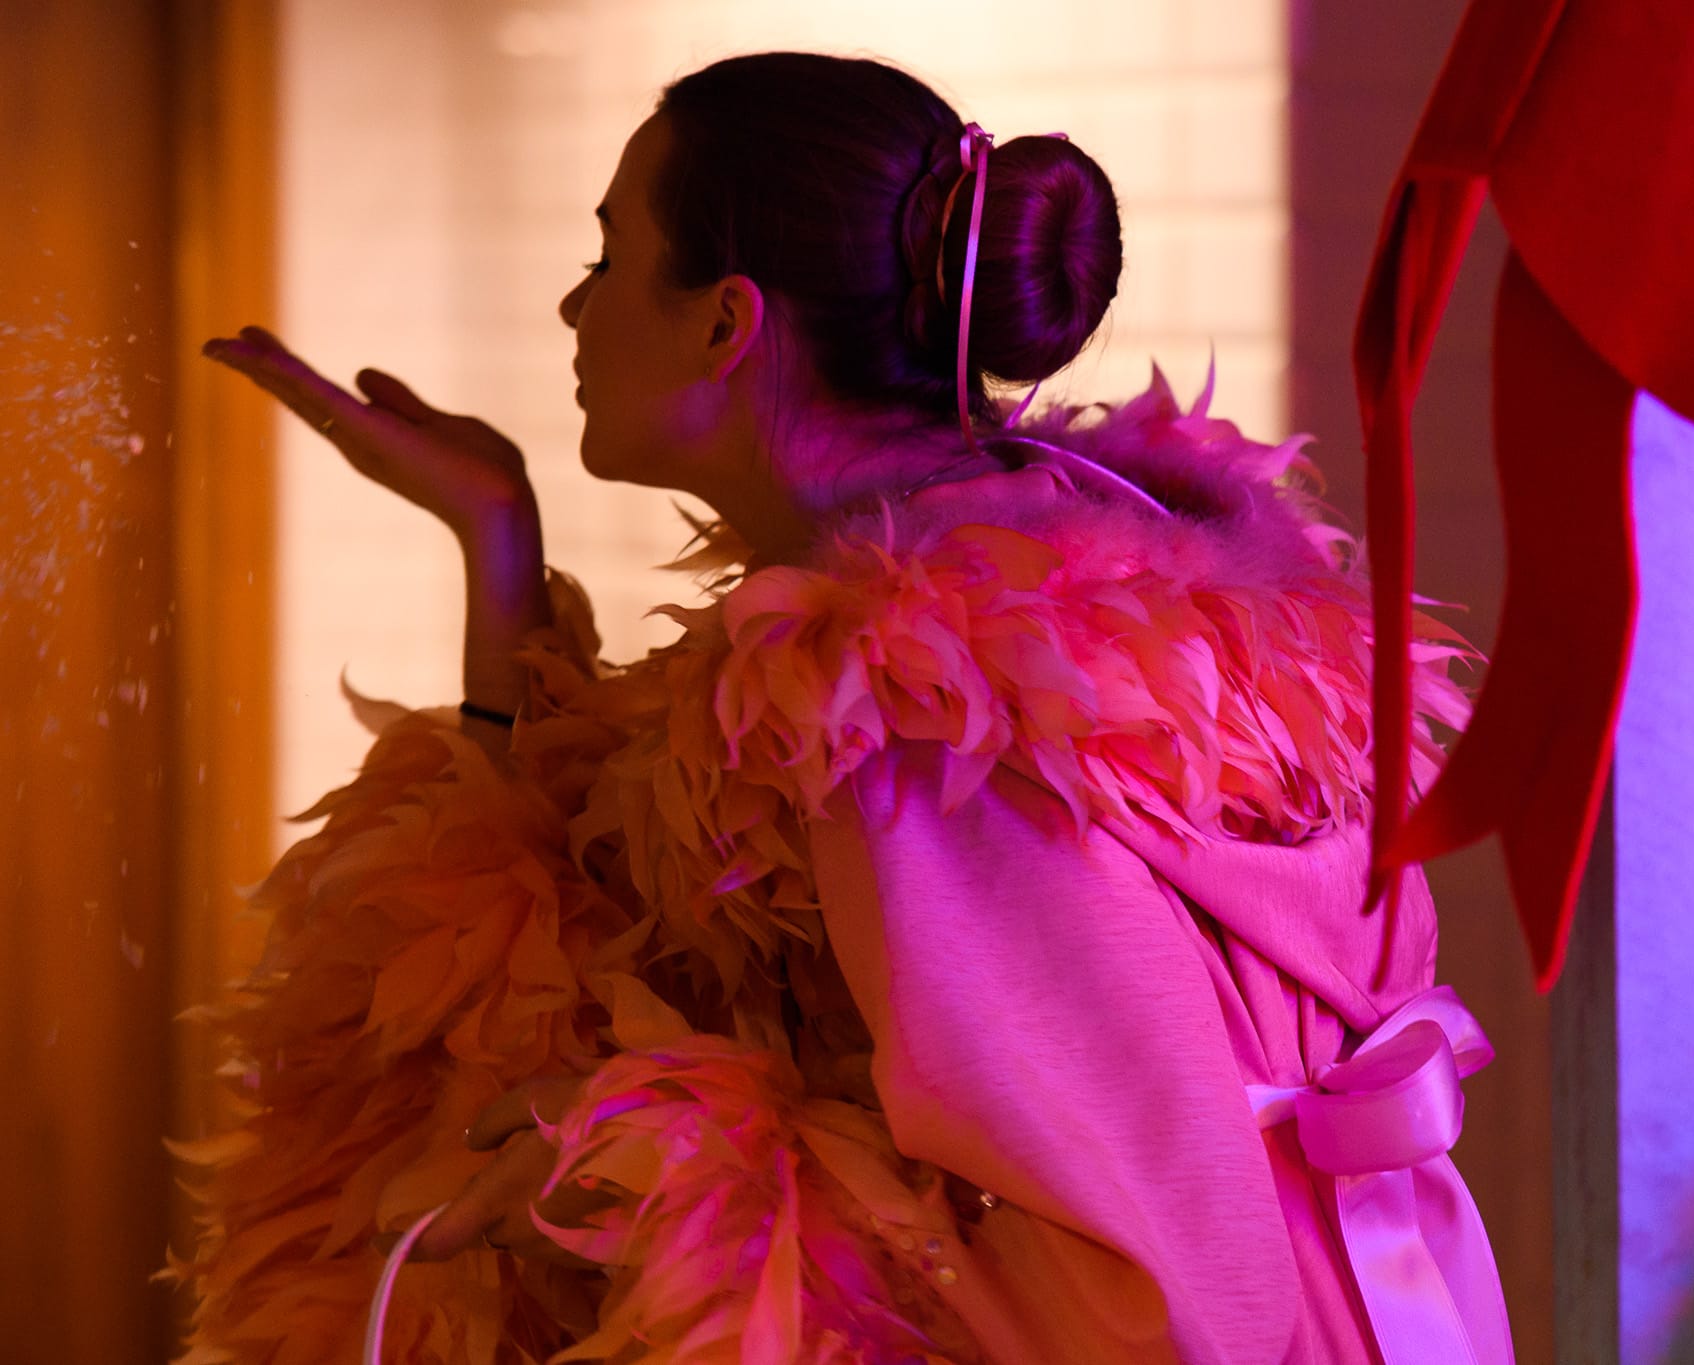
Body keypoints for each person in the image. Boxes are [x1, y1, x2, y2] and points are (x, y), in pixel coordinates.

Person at [172, 52, 1511, 1365]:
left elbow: (1149, 1312)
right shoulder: (1040, 560)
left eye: (607, 255)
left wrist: (661, 1184)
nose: (573, 307)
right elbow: (596, 921)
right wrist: (496, 536)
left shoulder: (932, 725)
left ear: (725, 323)